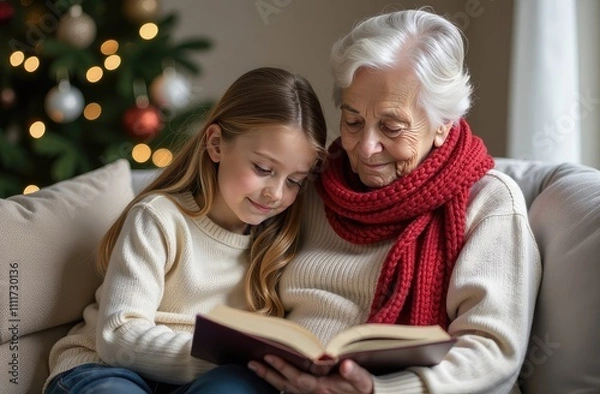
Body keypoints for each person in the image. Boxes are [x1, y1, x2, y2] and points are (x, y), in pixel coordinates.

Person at [249, 9, 542, 394]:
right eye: (353, 121)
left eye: (391, 126)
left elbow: (493, 352)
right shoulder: (309, 183)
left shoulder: (487, 202)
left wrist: (379, 391)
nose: (366, 148)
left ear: (442, 124)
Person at [43, 67, 328, 394]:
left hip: (199, 381)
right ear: (216, 144)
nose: (276, 193)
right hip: (105, 369)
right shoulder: (158, 218)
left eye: (294, 181)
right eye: (263, 169)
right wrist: (226, 358)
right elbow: (117, 337)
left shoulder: (276, 242)